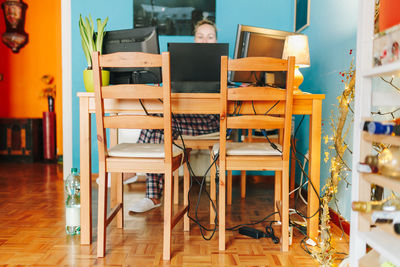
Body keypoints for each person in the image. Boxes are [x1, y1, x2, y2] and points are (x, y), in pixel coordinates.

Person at [129, 19, 219, 213]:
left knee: (156, 122)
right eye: (200, 37)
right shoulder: (182, 62)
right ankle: (151, 195)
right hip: (186, 119)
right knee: (156, 121)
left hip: (211, 122)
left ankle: (149, 192)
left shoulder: (223, 62)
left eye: (210, 37)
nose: (204, 41)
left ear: (216, 41)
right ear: (194, 40)